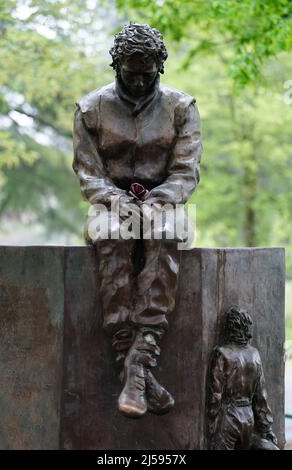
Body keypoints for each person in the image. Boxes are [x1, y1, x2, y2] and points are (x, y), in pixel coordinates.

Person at [73, 23, 202, 418]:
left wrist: (159, 200)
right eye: (132, 72)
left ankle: (140, 358)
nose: (141, 80)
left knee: (166, 231)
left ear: (160, 66)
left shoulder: (182, 108)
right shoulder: (90, 109)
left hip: (164, 206)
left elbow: (187, 171)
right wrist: (115, 200)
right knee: (113, 233)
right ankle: (137, 364)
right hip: (110, 208)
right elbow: (87, 173)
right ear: (117, 64)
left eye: (149, 73)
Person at [207, 306, 279, 450]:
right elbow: (261, 397)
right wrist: (266, 428)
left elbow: (216, 395)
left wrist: (212, 423)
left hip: (229, 417)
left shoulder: (222, 354)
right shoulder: (254, 354)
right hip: (248, 418)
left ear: (230, 328)